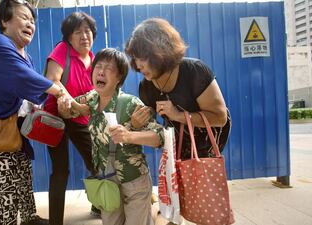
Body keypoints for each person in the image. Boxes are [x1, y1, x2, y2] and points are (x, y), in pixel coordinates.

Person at [0, 1, 72, 224]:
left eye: (32, 20)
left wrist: (41, 107)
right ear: (4, 21)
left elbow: (28, 93)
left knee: (23, 183)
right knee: (4, 195)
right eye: (24, 17)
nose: (31, 24)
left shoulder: (25, 56)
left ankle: (29, 219)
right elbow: (27, 79)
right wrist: (59, 91)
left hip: (15, 131)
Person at [59, 48, 164, 225]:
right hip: (107, 180)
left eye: (109, 68)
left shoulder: (130, 103)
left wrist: (129, 135)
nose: (100, 71)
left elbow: (159, 136)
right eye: (98, 66)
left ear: (119, 78)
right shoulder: (92, 98)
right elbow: (72, 109)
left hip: (134, 180)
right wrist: (64, 107)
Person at [125, 18, 231, 161]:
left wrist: (178, 115)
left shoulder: (195, 72)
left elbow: (220, 118)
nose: (138, 66)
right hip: (179, 146)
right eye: (135, 58)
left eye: (143, 58)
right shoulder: (146, 87)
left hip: (209, 143)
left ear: (161, 51)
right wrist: (136, 124)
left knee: (201, 181)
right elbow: (156, 131)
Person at [42, 12, 99, 224]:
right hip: (55, 118)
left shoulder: (93, 59)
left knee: (97, 164)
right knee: (60, 171)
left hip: (81, 120)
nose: (84, 36)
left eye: (88, 31)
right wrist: (74, 104)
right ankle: (55, 220)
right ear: (69, 37)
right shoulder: (62, 50)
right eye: (78, 32)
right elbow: (52, 80)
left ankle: (98, 203)